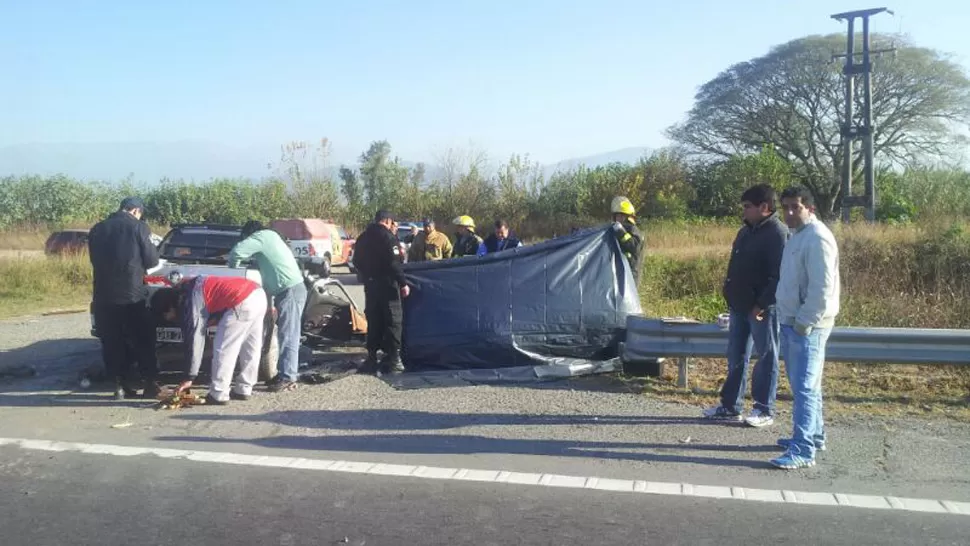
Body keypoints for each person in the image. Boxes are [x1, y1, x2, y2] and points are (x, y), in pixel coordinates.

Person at [703, 184, 789, 428]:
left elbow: (779, 276)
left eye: (748, 207)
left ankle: (764, 409)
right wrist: (729, 294)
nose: (744, 211)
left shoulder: (777, 233)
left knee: (766, 356)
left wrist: (762, 303)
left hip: (762, 309)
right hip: (739, 306)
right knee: (736, 356)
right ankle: (731, 406)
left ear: (764, 207)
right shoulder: (745, 232)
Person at [770, 186, 841, 470]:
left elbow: (821, 290)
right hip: (792, 321)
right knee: (808, 386)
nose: (788, 213)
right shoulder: (797, 235)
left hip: (807, 326)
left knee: (804, 389)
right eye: (785, 207)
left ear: (809, 208)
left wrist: (803, 323)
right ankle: (814, 435)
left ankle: (803, 449)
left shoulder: (817, 238)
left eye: (795, 207)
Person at [150, 275, 267, 405]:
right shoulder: (190, 287)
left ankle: (219, 393)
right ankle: (244, 388)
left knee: (224, 349)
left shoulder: (190, 302)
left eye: (166, 315)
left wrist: (189, 377)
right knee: (251, 348)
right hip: (257, 293)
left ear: (169, 307)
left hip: (239, 300)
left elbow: (195, 340)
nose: (169, 319)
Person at [87, 196, 161, 400]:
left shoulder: (98, 229)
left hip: (103, 295)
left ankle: (120, 385)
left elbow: (94, 260)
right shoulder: (139, 227)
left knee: (112, 341)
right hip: (132, 295)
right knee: (142, 339)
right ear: (136, 210)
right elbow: (152, 260)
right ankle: (149, 384)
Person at [228, 220, 305, 393]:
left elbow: (237, 252)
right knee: (287, 334)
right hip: (288, 290)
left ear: (250, 234)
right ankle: (284, 373)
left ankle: (288, 378)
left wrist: (232, 271)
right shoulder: (271, 237)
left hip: (289, 291)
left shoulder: (261, 237)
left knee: (289, 335)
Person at [352, 210, 411, 375]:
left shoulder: (363, 237)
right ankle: (395, 359)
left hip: (370, 285)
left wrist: (369, 274)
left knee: (374, 320)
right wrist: (403, 283)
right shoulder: (388, 238)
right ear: (388, 221)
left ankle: (371, 357)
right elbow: (394, 263)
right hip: (388, 286)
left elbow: (356, 261)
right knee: (393, 320)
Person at [610, 196, 644, 281]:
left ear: (628, 217)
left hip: (631, 275)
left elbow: (635, 247)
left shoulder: (633, 230)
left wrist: (621, 232)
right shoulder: (617, 229)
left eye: (622, 216)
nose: (619, 218)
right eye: (617, 216)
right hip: (620, 272)